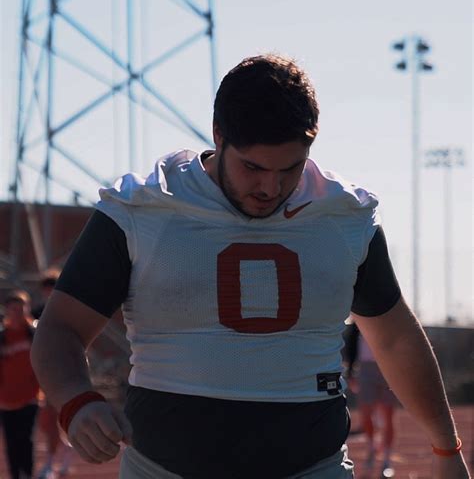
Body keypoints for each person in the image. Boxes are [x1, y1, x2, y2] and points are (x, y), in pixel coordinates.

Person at [31, 54, 469, 479]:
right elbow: (59, 330)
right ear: (218, 135)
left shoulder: (342, 217)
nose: (271, 187)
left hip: (312, 466)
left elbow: (393, 338)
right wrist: (75, 399)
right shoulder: (143, 209)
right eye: (253, 167)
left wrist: (446, 446)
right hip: (164, 467)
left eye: (290, 169)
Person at [33, 272, 73, 479]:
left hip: (63, 369)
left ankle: (54, 458)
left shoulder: (67, 311)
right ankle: (62, 450)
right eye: (46, 289)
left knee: (59, 414)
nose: (48, 293)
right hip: (41, 369)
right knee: (46, 418)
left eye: (52, 289)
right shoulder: (37, 312)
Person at [345, 322, 397, 475]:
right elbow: (351, 348)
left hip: (388, 369)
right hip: (366, 371)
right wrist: (350, 373)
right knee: (366, 415)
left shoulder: (391, 318)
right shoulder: (357, 323)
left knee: (388, 416)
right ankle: (372, 447)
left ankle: (387, 460)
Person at [0, 290, 40, 479]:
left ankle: (28, 474)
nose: (16, 313)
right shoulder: (3, 337)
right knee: (11, 442)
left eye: (20, 308)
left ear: (26, 309)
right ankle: (15, 475)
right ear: (6, 311)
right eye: (12, 309)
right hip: (5, 399)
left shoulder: (33, 335)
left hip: (30, 397)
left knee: (26, 439)